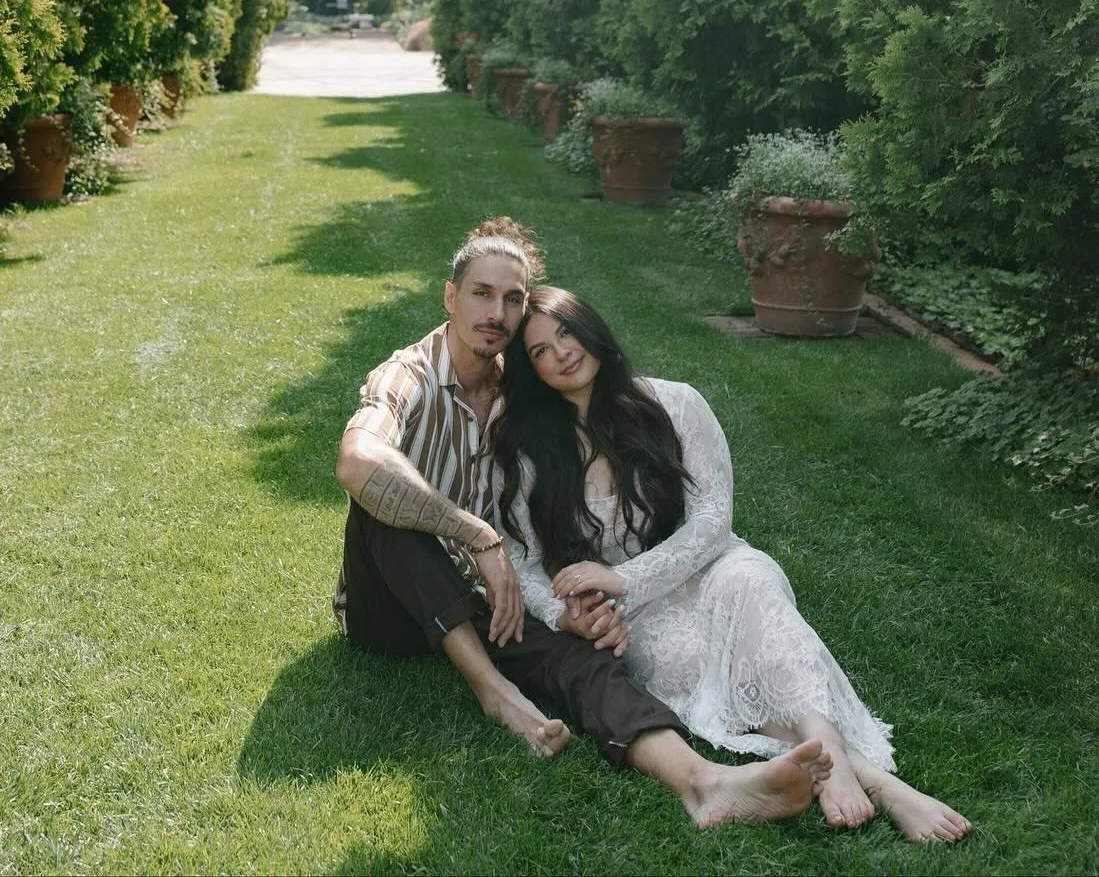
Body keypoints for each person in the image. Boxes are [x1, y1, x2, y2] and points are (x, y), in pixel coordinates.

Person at [333, 218, 834, 828]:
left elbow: (539, 516)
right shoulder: (409, 376)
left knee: (585, 658)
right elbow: (358, 462)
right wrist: (474, 534)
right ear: (450, 296)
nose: (496, 312)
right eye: (481, 293)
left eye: (512, 299)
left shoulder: (525, 393)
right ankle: (495, 692)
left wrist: (575, 607)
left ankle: (704, 783)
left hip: (491, 599)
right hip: (393, 609)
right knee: (383, 503)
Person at [492, 285, 973, 845]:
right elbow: (520, 560)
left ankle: (833, 756)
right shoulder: (529, 446)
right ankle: (879, 783)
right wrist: (564, 614)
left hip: (713, 566)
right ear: (532, 371)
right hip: (639, 615)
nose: (562, 353)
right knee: (708, 661)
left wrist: (623, 577)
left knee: (755, 590)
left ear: (591, 328)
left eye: (567, 332)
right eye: (541, 350)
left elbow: (713, 518)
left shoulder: (676, 404)